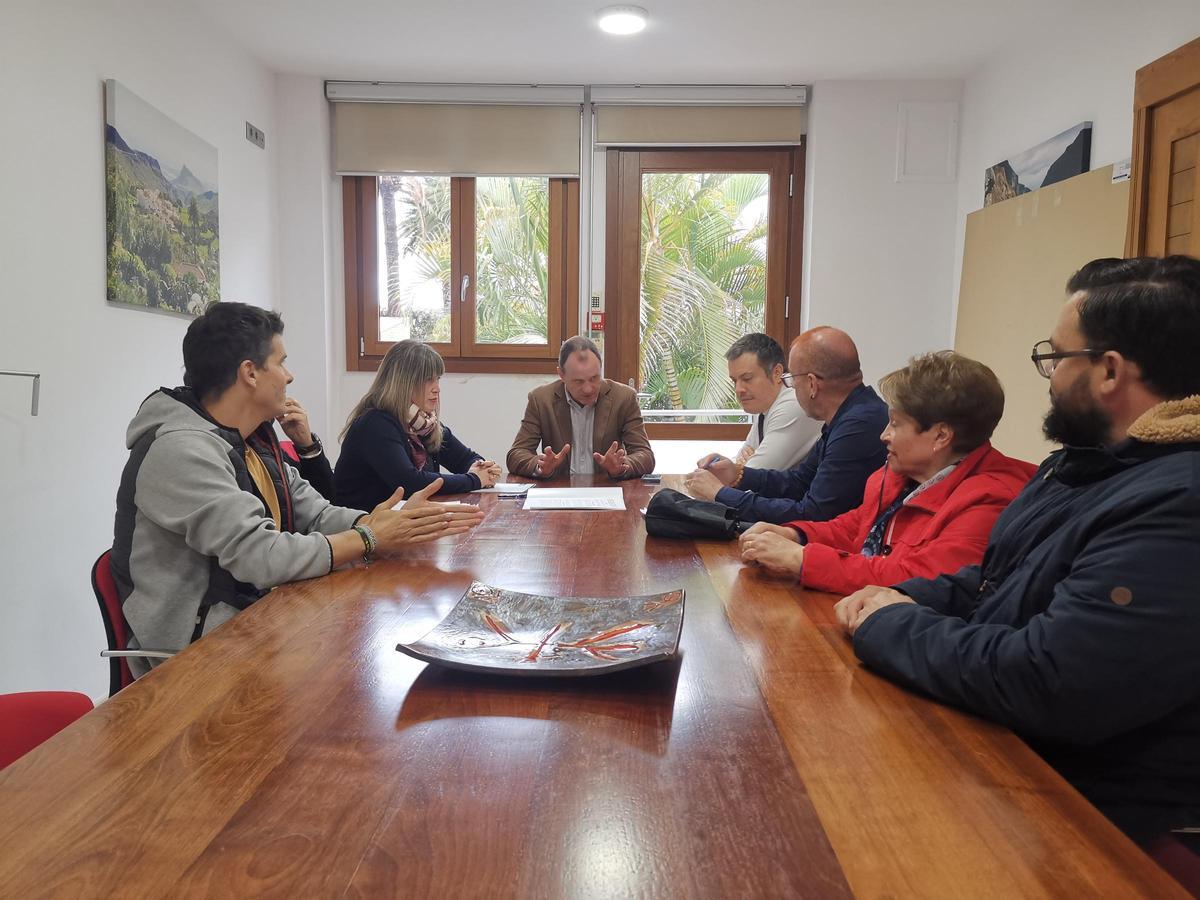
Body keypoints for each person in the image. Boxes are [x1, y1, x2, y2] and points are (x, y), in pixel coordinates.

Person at [834, 256, 1200, 853]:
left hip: (1087, 818)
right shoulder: (1081, 466)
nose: (1049, 375)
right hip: (1011, 755)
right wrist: (902, 596)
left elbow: (1053, 681)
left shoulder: (1177, 504)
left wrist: (891, 625)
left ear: (1109, 371)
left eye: (1056, 358)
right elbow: (998, 581)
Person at [112, 302, 484, 675]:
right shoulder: (181, 451)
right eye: (281, 362)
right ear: (250, 373)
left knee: (373, 653)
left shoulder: (253, 440)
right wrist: (370, 536)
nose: (289, 376)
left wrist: (390, 521)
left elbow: (317, 513)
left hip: (256, 618)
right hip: (198, 658)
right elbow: (261, 556)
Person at [738, 351, 1035, 595]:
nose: (884, 435)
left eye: (895, 424)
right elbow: (856, 527)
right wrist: (795, 534)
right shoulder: (899, 475)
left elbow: (916, 578)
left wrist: (801, 559)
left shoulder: (989, 501)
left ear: (941, 436)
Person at [685, 326, 888, 524]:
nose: (790, 387)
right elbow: (799, 481)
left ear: (811, 384)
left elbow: (813, 513)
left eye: (791, 380)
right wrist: (739, 474)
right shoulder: (847, 415)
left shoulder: (858, 426)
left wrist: (721, 494)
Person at [335, 341, 502, 508]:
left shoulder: (424, 424)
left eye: (437, 379)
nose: (437, 388)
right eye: (428, 380)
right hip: (365, 526)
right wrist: (474, 479)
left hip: (402, 522)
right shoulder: (376, 424)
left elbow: (464, 458)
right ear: (403, 383)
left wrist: (482, 467)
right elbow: (410, 483)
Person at [506, 335, 655, 479]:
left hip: (606, 491)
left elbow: (645, 455)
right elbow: (516, 454)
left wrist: (622, 466)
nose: (588, 389)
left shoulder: (623, 398)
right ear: (561, 375)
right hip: (559, 492)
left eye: (594, 378)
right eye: (578, 381)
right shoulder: (541, 400)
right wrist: (539, 466)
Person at [707, 333, 821, 471]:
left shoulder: (792, 405)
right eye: (734, 381)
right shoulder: (764, 404)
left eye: (747, 378)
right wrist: (734, 466)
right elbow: (743, 462)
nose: (738, 389)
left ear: (777, 373)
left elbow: (752, 473)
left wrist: (740, 468)